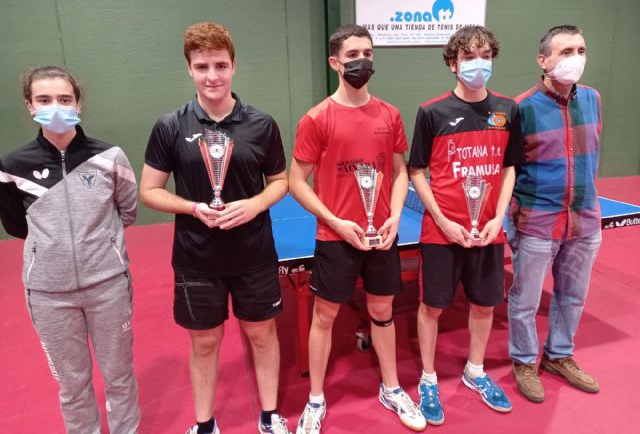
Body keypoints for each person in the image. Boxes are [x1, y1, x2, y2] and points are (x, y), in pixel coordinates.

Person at [140, 22, 290, 434]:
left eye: (220, 65)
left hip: (254, 253)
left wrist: (255, 204)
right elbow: (149, 191)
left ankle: (270, 416)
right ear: (189, 68)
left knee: (262, 335)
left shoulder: (262, 124)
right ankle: (205, 425)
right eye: (202, 66)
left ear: (234, 66)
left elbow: (280, 181)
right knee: (204, 342)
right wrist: (192, 208)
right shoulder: (170, 126)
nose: (212, 76)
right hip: (197, 258)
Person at [290, 24, 426, 434]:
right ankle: (315, 400)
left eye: (367, 53)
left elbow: (399, 172)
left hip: (381, 235)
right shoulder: (316, 118)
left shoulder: (389, 114)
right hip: (336, 237)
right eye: (352, 55)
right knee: (325, 315)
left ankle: (392, 388)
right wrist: (334, 221)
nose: (361, 61)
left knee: (382, 312)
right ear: (335, 62)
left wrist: (395, 216)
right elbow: (296, 181)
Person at [0, 66, 141, 433]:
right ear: (30, 105)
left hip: (108, 286)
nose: (56, 108)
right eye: (44, 100)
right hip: (49, 294)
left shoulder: (110, 157)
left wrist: (99, 246)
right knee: (72, 384)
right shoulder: (11, 166)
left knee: (119, 374)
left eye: (65, 99)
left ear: (78, 103)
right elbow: (15, 225)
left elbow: (127, 211)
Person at [408, 25, 524, 424]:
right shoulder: (432, 112)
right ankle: (428, 378)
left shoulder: (508, 110)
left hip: (488, 230)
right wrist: (442, 220)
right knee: (432, 307)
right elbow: (417, 171)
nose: (479, 64)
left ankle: (475, 371)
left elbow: (508, 168)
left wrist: (499, 216)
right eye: (469, 57)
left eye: (486, 56)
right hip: (441, 232)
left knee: (484, 304)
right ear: (453, 63)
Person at [508, 25, 602, 403]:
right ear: (543, 60)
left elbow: (591, 156)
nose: (575, 58)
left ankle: (559, 355)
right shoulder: (521, 107)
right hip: (537, 223)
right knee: (525, 301)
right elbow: (509, 170)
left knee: (573, 297)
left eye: (580, 50)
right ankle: (524, 361)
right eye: (565, 52)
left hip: (584, 221)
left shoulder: (593, 99)